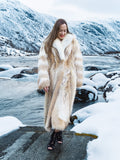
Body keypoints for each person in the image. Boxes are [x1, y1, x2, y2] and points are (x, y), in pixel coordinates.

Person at [37, 19, 83, 151]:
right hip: (54, 79)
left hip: (68, 80)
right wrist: (44, 80)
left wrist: (79, 78)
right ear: (56, 30)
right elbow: (42, 63)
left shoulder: (73, 41)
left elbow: (78, 60)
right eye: (60, 30)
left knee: (62, 108)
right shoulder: (47, 43)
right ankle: (57, 133)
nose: (63, 33)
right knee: (55, 108)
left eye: (65, 30)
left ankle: (55, 135)